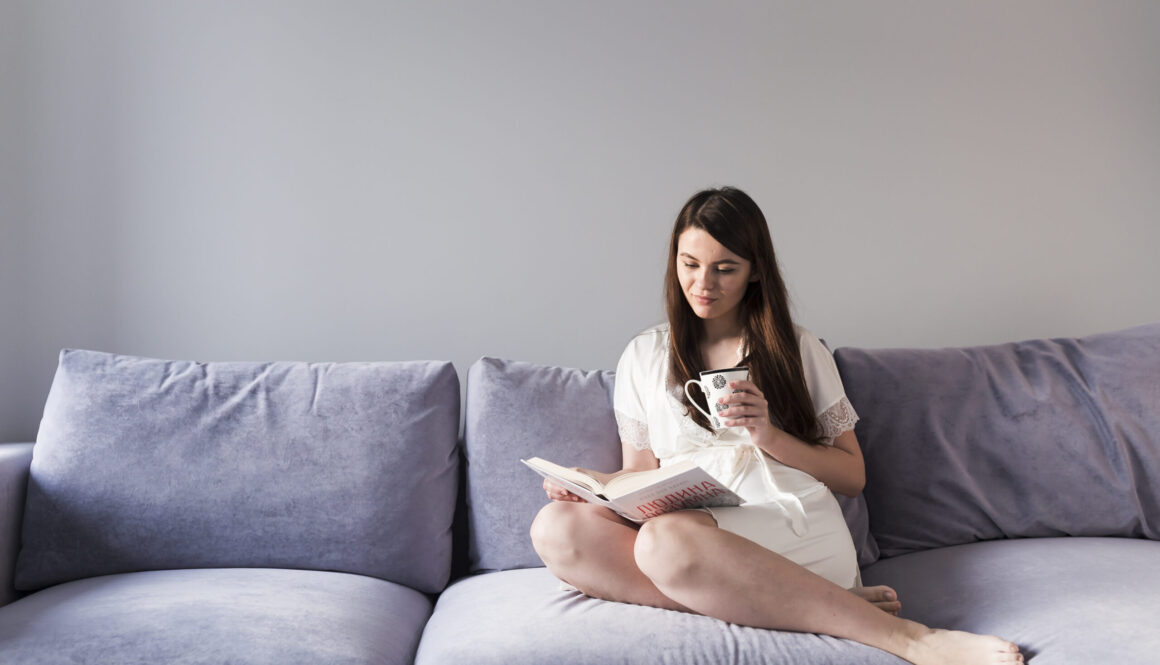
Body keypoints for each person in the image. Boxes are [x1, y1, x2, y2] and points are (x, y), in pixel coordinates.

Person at [530, 187, 1023, 665]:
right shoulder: (643, 354)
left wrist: (768, 435)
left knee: (664, 541)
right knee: (556, 530)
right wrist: (590, 484)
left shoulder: (799, 348)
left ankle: (915, 641)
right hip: (694, 529)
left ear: (755, 272)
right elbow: (638, 470)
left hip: (785, 521)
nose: (704, 283)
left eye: (725, 269)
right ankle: (823, 608)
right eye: (690, 264)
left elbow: (853, 476)